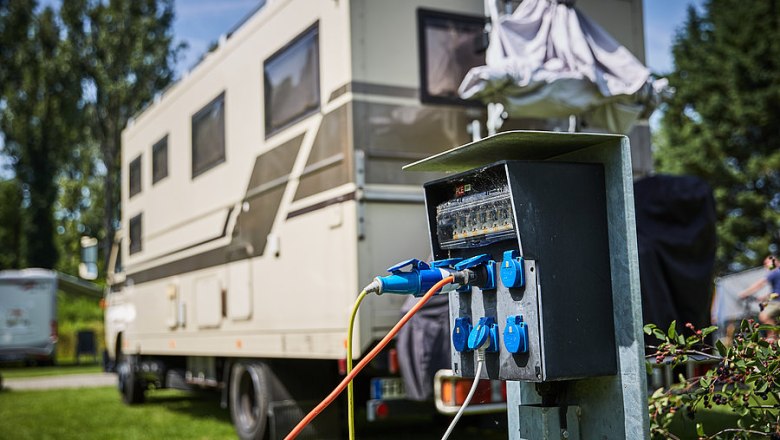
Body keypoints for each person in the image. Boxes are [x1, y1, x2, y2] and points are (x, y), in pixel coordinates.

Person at [739, 254, 780, 340]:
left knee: (763, 316)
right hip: (776, 300)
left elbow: (760, 284)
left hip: (777, 302)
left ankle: (773, 337)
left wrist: (745, 293)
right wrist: (764, 297)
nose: (765, 266)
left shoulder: (774, 272)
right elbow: (777, 291)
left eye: (767, 263)